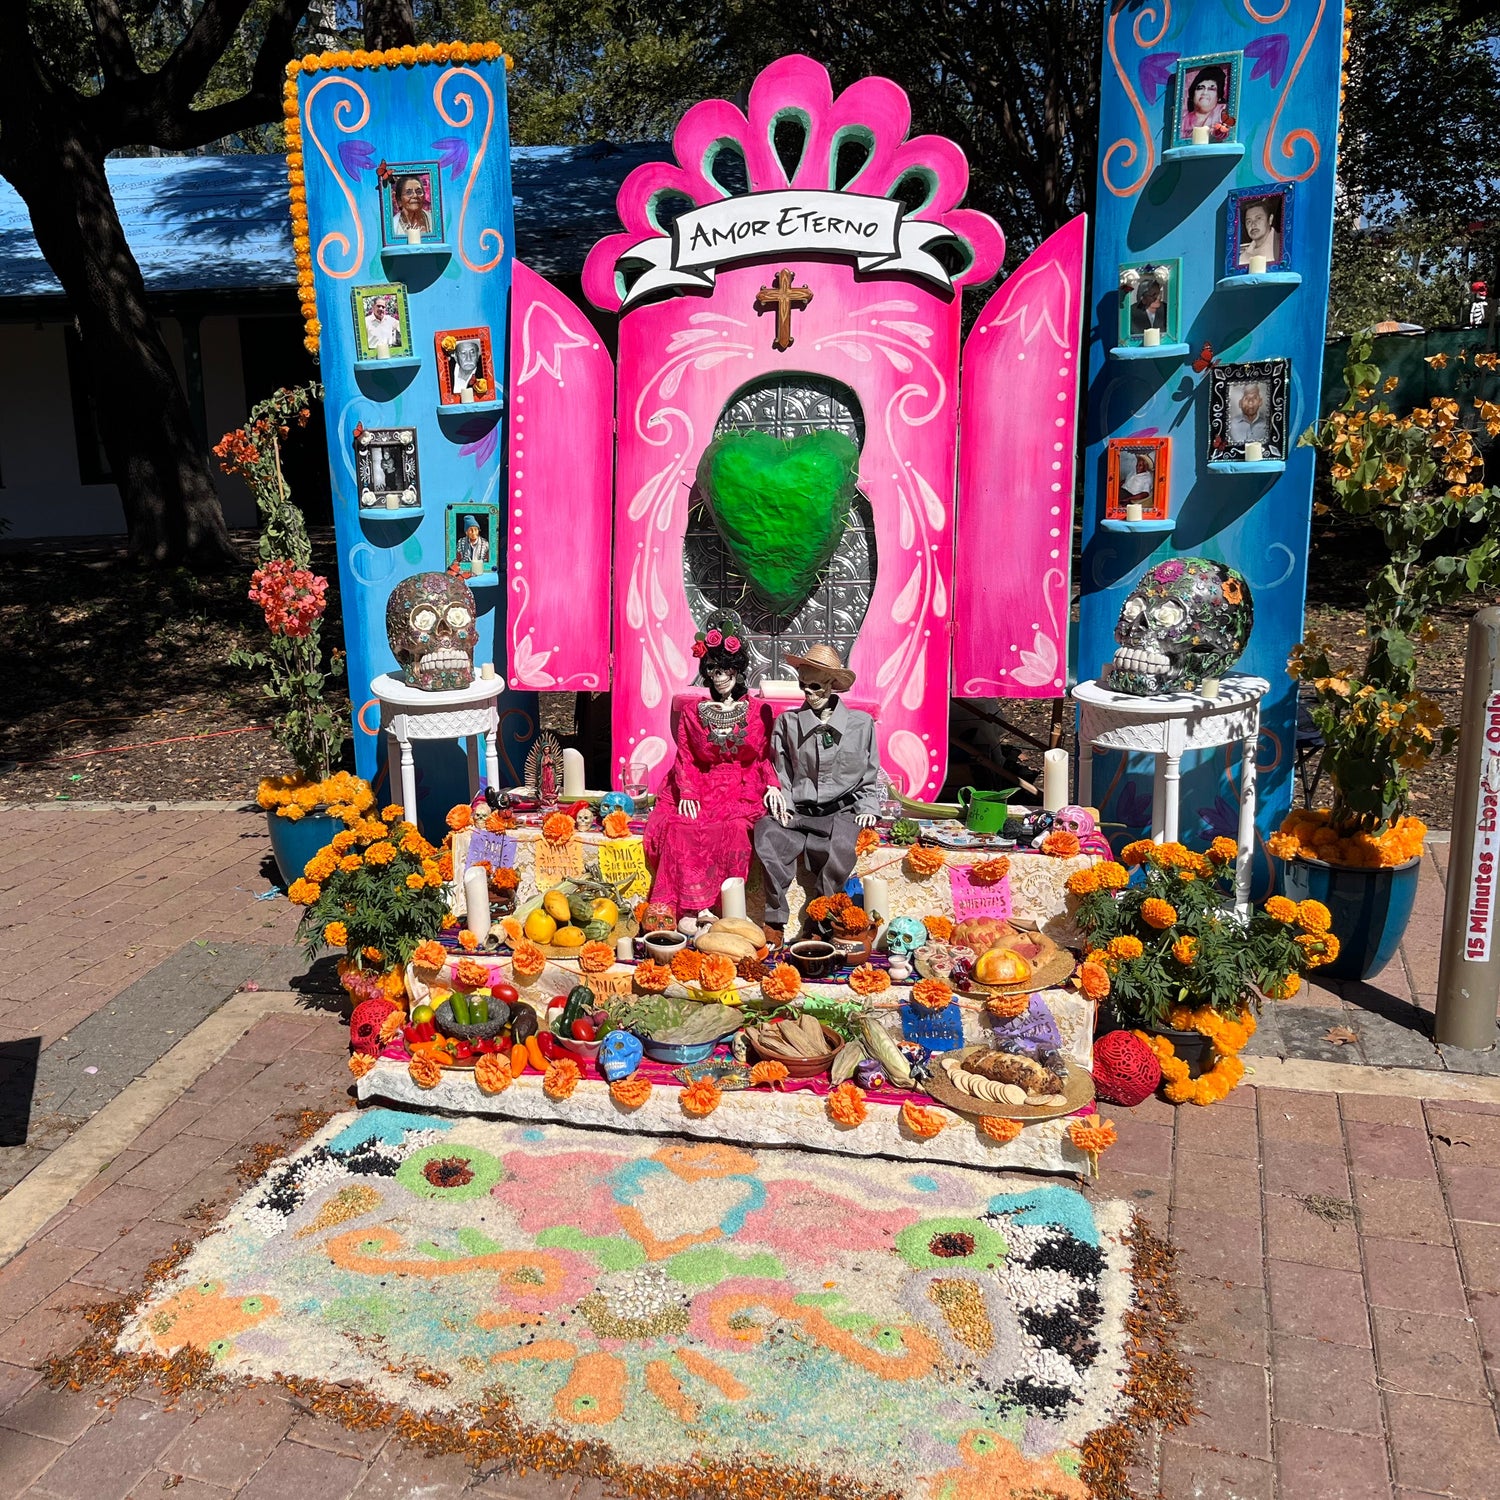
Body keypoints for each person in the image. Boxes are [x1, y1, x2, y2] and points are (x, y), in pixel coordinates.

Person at [642, 611, 780, 916]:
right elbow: (686, 757)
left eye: (724, 669)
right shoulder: (694, 712)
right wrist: (688, 791)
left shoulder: (759, 711)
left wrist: (773, 784)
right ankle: (690, 909)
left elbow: (763, 756)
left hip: (743, 789)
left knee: (733, 830)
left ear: (737, 671)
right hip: (702, 787)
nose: (718, 676)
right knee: (680, 828)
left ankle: (723, 908)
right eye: (712, 669)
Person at [753, 643, 880, 944]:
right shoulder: (788, 723)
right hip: (798, 813)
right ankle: (775, 919)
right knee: (766, 834)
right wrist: (780, 797)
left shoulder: (861, 725)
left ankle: (821, 920)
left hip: (840, 813)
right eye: (803, 686)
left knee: (840, 849)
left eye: (816, 686)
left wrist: (868, 805)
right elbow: (780, 770)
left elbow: (869, 773)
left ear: (832, 685)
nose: (809, 694)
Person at [1181, 65, 1228, 137]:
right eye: (1200, 88)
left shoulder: (1224, 113)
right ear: (1193, 93)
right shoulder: (1183, 122)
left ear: (1219, 96)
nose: (1205, 93)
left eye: (1211, 89)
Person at [1237, 199, 1281, 266]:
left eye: (1258, 218)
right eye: (1249, 221)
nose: (1253, 225)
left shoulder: (1282, 245)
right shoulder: (1243, 258)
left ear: (1270, 219)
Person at [1227, 383, 1270, 447]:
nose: (1250, 402)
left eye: (1254, 398)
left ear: (1260, 402)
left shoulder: (1268, 424)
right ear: (1240, 403)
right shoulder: (1231, 425)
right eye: (1246, 398)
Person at [390, 174, 432, 239]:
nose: (415, 195)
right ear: (399, 201)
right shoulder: (393, 226)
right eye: (408, 192)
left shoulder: (433, 220)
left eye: (419, 192)